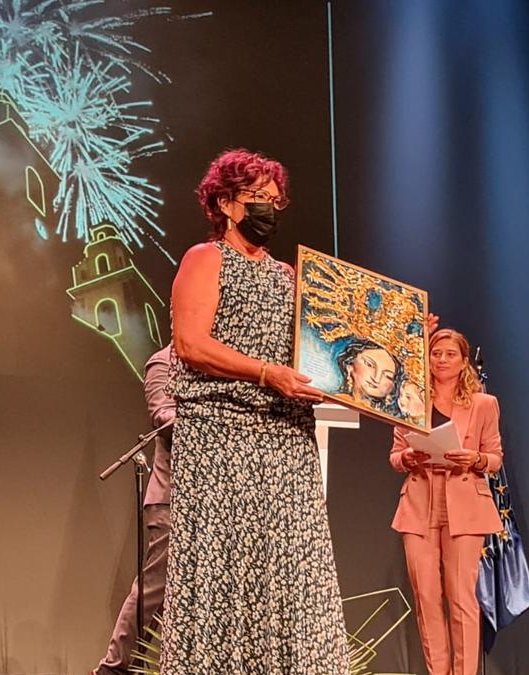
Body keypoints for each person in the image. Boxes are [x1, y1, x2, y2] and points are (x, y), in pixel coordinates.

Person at [162, 148, 349, 673]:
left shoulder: (293, 278)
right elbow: (191, 344)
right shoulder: (205, 259)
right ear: (225, 202)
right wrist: (268, 374)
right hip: (222, 435)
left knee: (291, 570)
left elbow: (329, 360)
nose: (269, 208)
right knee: (227, 569)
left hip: (285, 440)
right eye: (257, 199)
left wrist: (398, 349)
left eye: (275, 200)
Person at [389, 328, 503, 675]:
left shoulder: (484, 403)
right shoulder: (410, 400)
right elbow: (395, 455)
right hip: (420, 500)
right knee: (426, 598)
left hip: (464, 499)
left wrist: (474, 459)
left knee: (460, 598)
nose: (441, 360)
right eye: (436, 353)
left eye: (450, 354)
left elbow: (495, 458)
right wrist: (407, 457)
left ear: (464, 361)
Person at [92, 347, 174, 675]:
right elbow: (163, 416)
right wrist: (213, 416)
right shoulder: (164, 361)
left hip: (215, 501)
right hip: (172, 497)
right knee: (155, 588)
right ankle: (113, 668)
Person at [336, 337, 401, 413]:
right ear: (350, 366)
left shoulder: (389, 418)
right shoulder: (336, 403)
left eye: (388, 376)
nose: (376, 379)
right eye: (369, 365)